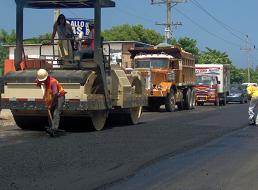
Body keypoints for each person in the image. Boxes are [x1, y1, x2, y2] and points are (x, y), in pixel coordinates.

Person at [36, 69, 66, 137]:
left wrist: (50, 103)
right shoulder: (40, 79)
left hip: (59, 96)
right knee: (50, 111)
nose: (42, 81)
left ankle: (54, 129)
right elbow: (38, 83)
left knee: (56, 112)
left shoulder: (53, 82)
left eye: (43, 80)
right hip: (50, 95)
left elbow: (55, 95)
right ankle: (51, 127)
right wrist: (39, 83)